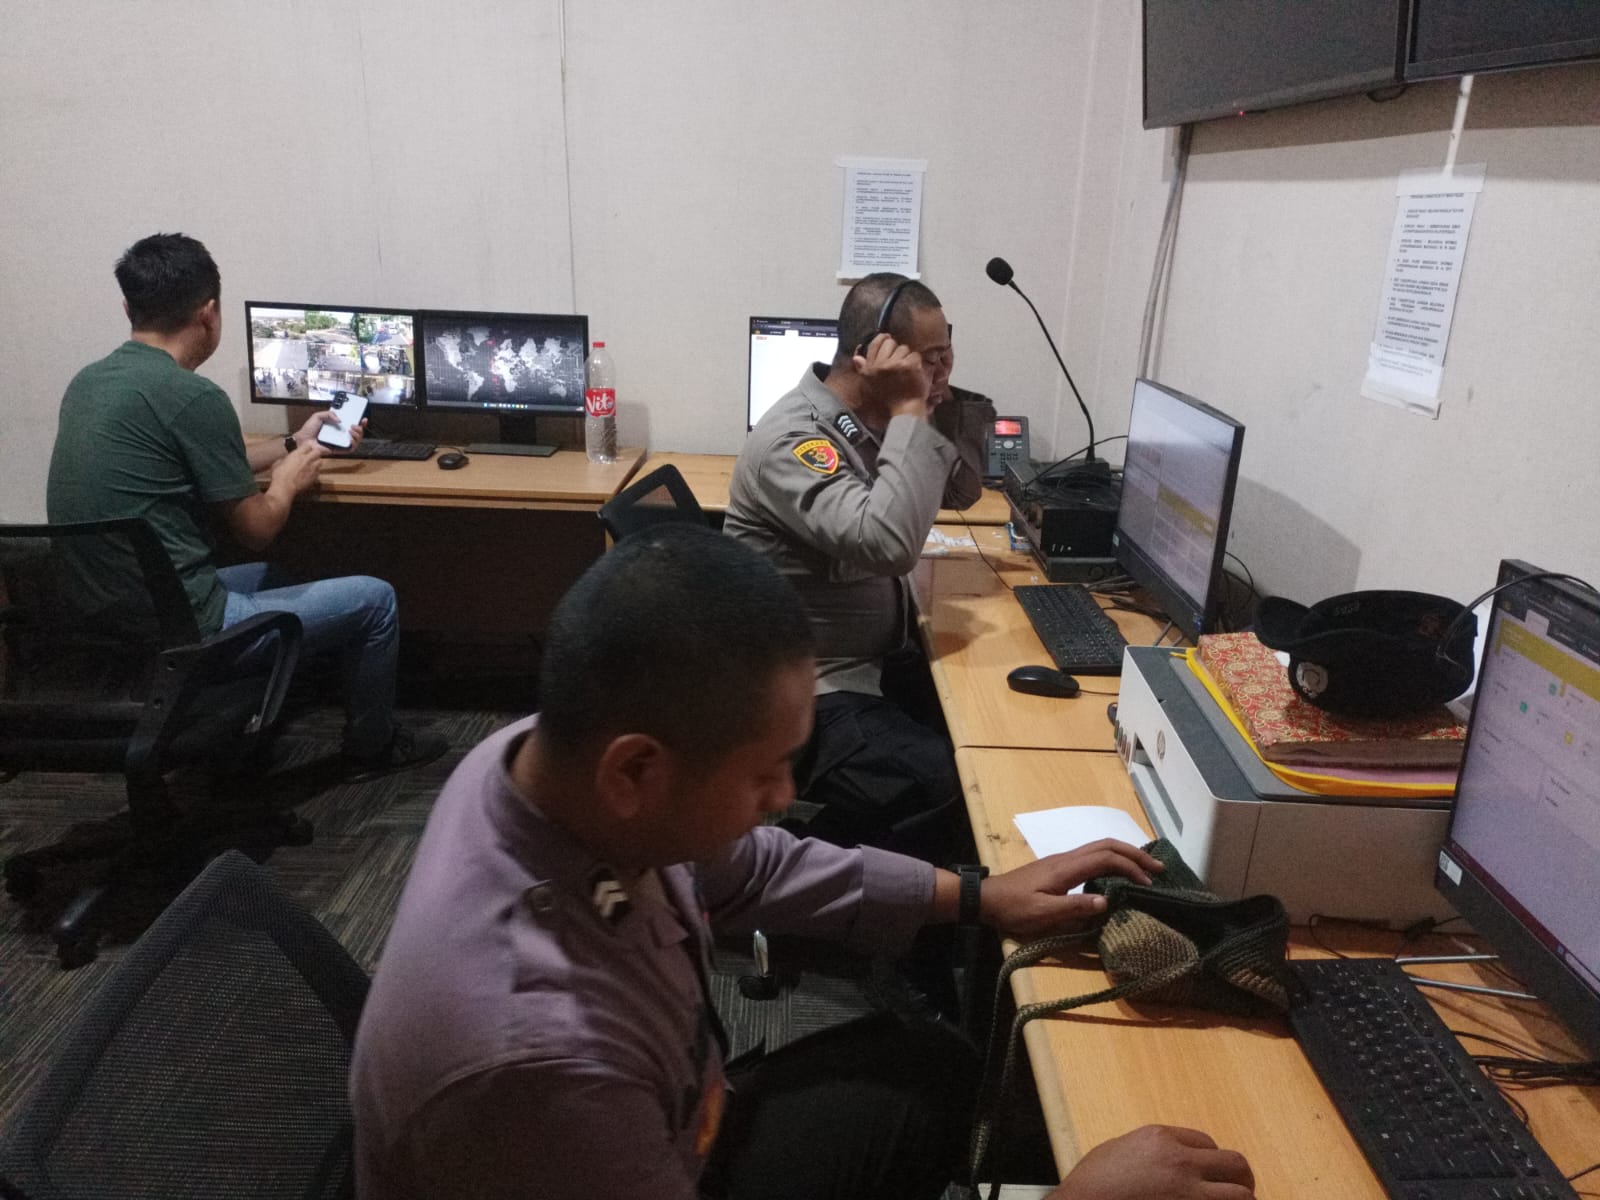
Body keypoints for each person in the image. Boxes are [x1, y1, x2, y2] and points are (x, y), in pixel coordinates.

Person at [349, 524, 1257, 1200]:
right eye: (763, 773)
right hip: (635, 1141)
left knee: (934, 1066)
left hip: (679, 1116)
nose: (785, 795)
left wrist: (978, 895)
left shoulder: (548, 765)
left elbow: (748, 869)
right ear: (636, 772)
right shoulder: (535, 1069)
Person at [46, 232, 445, 779]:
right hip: (183, 626)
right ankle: (372, 748)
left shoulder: (91, 382)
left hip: (105, 614)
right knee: (377, 599)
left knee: (274, 577)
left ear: (128, 308)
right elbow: (257, 528)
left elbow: (205, 463)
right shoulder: (193, 396)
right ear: (208, 313)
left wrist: (292, 441)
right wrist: (286, 482)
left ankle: (249, 724)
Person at [724, 272, 995, 863]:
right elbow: (888, 543)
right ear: (874, 355)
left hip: (875, 659)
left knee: (991, 727)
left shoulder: (869, 422)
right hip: (813, 684)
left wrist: (931, 398)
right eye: (928, 358)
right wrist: (910, 406)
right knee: (951, 785)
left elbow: (962, 492)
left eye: (946, 355)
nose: (940, 371)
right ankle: (841, 880)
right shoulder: (796, 440)